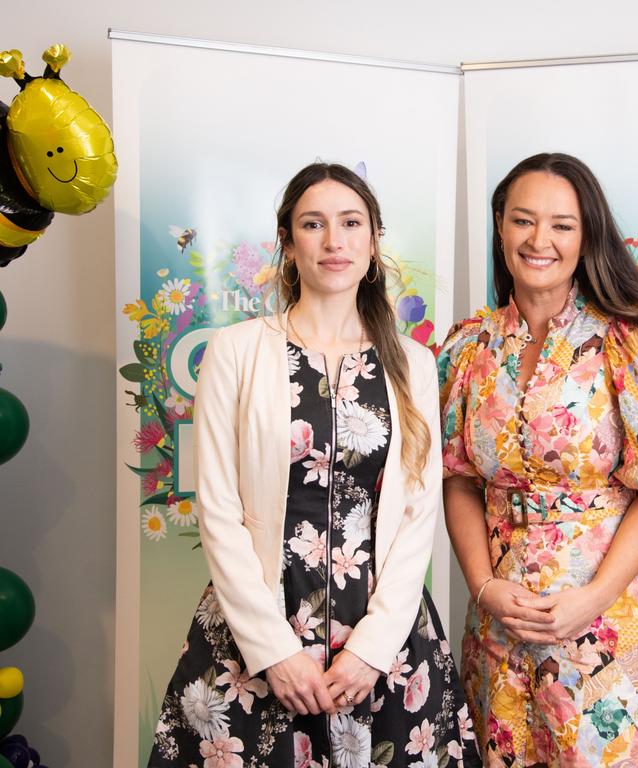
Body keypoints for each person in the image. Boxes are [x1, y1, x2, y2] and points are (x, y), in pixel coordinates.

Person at [149, 162, 480, 768]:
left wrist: (372, 650)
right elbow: (218, 509)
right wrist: (271, 650)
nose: (334, 241)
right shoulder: (236, 350)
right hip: (255, 628)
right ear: (287, 242)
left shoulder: (413, 363)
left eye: (351, 223)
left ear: (374, 241)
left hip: (383, 635)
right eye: (313, 224)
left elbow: (418, 510)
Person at [438, 152, 638, 767]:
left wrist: (593, 598)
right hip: (500, 625)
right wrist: (482, 586)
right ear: (499, 225)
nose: (539, 240)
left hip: (606, 620)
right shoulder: (469, 346)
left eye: (562, 225)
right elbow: (458, 478)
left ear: (587, 233)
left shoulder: (635, 340)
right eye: (523, 220)